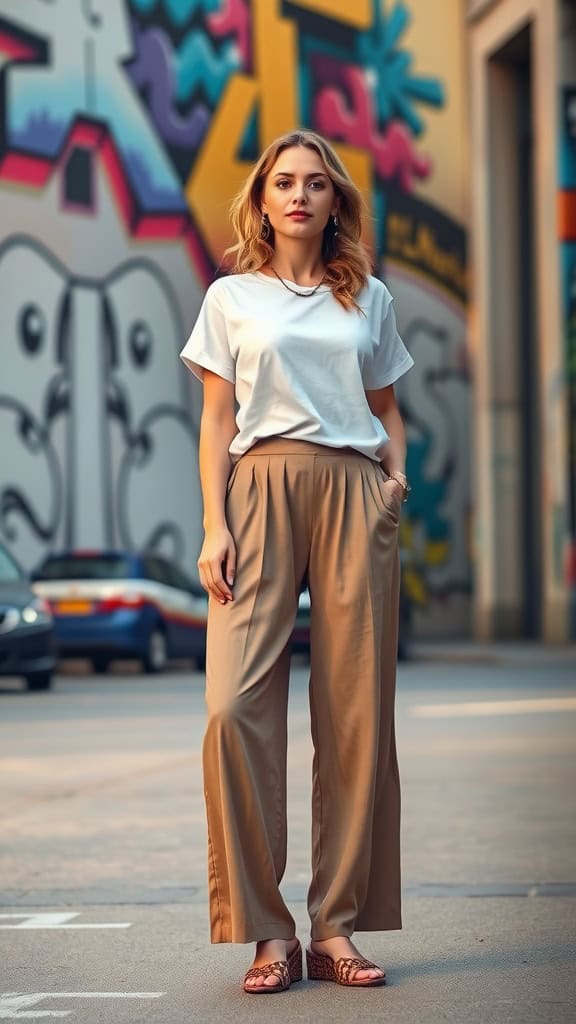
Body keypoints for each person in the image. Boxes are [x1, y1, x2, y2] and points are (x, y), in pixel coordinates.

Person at [179, 129, 414, 994]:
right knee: (230, 708)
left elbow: (389, 408)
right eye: (285, 182)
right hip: (260, 487)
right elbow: (214, 420)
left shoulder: (370, 299)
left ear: (335, 200)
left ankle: (336, 929)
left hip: (355, 493)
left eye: (317, 183)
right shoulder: (231, 296)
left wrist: (395, 479)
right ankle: (264, 932)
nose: (300, 196)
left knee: (357, 716)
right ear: (263, 197)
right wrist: (214, 523)